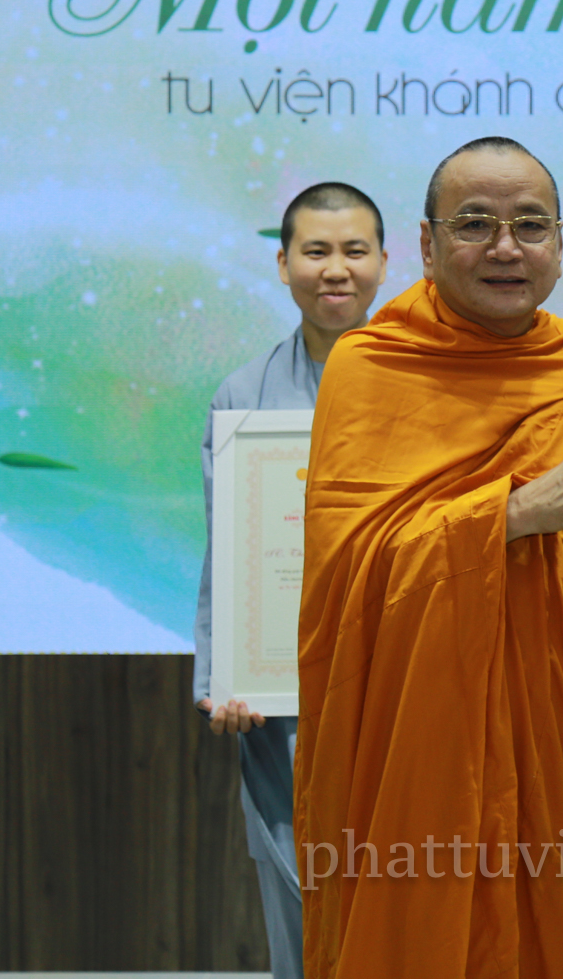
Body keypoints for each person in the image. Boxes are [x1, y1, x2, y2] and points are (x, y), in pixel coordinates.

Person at [292, 137, 563, 979]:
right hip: (419, 746)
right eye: (476, 224)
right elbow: (345, 582)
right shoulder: (371, 366)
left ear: (559, 242)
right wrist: (511, 514)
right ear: (426, 244)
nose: (505, 247)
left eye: (530, 225)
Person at [191, 182, 388, 979]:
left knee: (404, 904)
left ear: (385, 262)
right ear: (282, 264)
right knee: (300, 916)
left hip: (398, 688)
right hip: (285, 706)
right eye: (316, 251)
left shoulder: (427, 384)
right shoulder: (244, 395)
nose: (335, 270)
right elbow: (226, 553)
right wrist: (226, 675)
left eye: (354, 250)